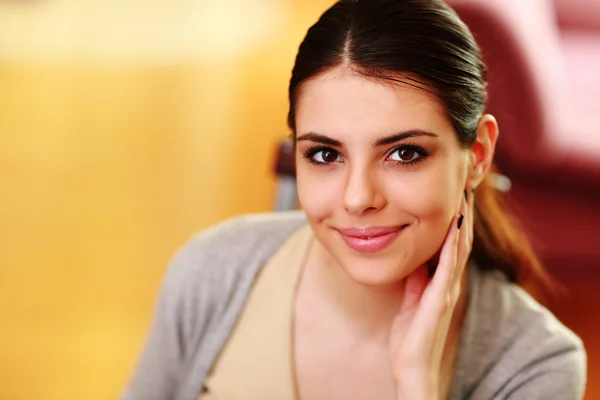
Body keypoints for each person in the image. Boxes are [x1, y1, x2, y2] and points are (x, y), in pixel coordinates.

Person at [121, 0, 587, 399]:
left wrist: (416, 382)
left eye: (405, 154)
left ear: (478, 154)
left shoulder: (535, 365)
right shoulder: (211, 271)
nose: (358, 197)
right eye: (325, 154)